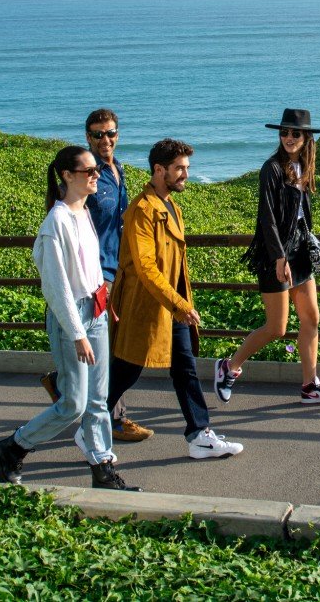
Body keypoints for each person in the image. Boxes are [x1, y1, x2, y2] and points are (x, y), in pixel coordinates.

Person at [0, 146, 140, 491]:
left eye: (96, 170)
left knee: (100, 399)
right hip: (70, 318)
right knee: (73, 402)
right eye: (87, 171)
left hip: (96, 309)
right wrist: (77, 333)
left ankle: (103, 469)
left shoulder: (83, 212)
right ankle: (12, 447)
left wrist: (104, 300)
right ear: (67, 176)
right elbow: (56, 289)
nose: (95, 175)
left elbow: (89, 269)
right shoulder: (55, 223)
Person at [108, 138, 243, 459]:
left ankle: (199, 434)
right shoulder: (141, 211)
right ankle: (87, 416)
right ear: (159, 170)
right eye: (179, 168)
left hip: (171, 306)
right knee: (127, 370)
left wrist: (180, 303)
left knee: (184, 368)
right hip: (148, 307)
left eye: (187, 168)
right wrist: (180, 304)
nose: (186, 174)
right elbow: (145, 266)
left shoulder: (172, 206)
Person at [215, 108, 320, 405]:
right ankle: (229, 367)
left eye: (295, 133)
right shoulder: (271, 168)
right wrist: (278, 257)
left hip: (299, 250)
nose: (288, 137)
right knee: (277, 327)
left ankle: (310, 385)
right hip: (275, 253)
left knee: (311, 318)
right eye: (284, 132)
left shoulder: (304, 167)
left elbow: (300, 214)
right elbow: (267, 217)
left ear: (306, 137)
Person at [41, 109, 152, 442]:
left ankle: (66, 389)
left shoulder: (117, 170)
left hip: (117, 269)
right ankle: (112, 421)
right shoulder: (86, 176)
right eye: (98, 134)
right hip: (96, 275)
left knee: (110, 348)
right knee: (109, 352)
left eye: (111, 132)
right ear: (87, 137)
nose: (106, 139)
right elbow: (69, 224)